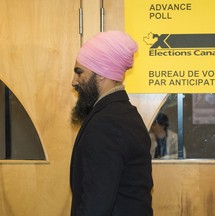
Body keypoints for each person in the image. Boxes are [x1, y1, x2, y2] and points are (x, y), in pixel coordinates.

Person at [70, 31, 153, 216]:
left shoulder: (107, 123)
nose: (74, 82)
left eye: (79, 72)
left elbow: (96, 206)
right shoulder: (124, 114)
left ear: (100, 74)